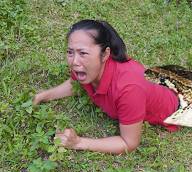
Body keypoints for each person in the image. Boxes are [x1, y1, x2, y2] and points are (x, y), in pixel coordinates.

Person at [33, 19, 179, 154]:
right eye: (70, 52)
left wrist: (78, 142)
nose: (74, 61)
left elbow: (129, 143)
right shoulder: (87, 67)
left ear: (105, 54)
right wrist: (42, 96)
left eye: (83, 53)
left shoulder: (128, 89)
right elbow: (73, 83)